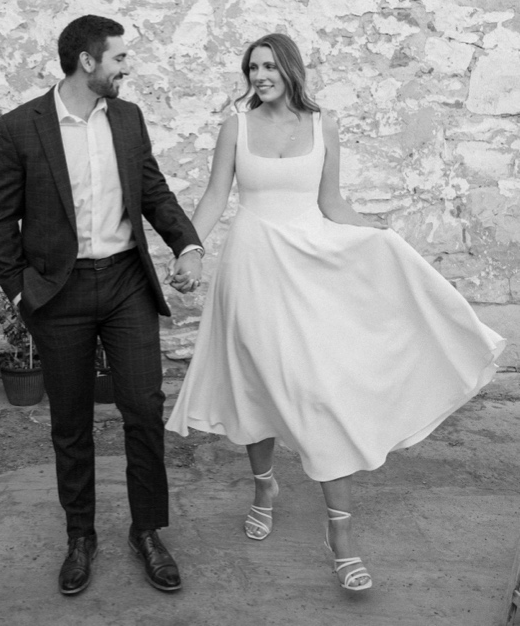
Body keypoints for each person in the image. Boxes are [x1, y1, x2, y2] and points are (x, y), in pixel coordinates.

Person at [166, 33, 505, 593]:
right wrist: (190, 251)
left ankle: (341, 537)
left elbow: (331, 203)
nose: (260, 76)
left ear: (290, 69)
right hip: (250, 267)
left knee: (316, 389)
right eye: (252, 67)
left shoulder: (324, 126)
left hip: (306, 268)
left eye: (270, 66)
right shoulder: (235, 127)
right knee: (256, 382)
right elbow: (212, 199)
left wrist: (377, 237)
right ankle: (264, 484)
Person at [0, 15, 206, 597]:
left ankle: (148, 531)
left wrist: (187, 244)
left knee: (142, 406)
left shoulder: (128, 119)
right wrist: (17, 289)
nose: (125, 68)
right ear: (88, 61)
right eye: (119, 58)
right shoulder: (22, 126)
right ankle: (80, 536)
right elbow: (0, 215)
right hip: (60, 292)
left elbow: (152, 190)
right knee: (71, 422)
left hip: (127, 283)